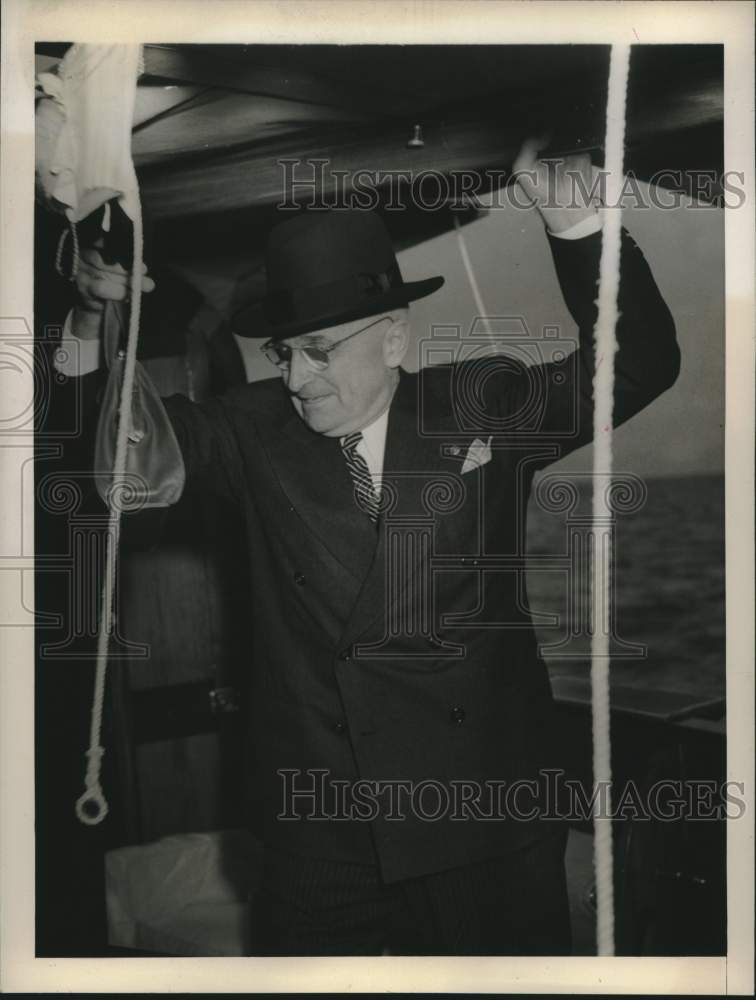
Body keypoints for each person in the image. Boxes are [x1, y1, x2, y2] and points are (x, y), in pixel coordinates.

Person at [56, 142, 679, 955]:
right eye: (284, 352)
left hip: (482, 821)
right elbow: (102, 464)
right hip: (321, 832)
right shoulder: (248, 430)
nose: (299, 379)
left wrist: (575, 221)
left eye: (322, 350)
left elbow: (640, 365)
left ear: (392, 338)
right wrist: (90, 324)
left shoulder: (475, 403)